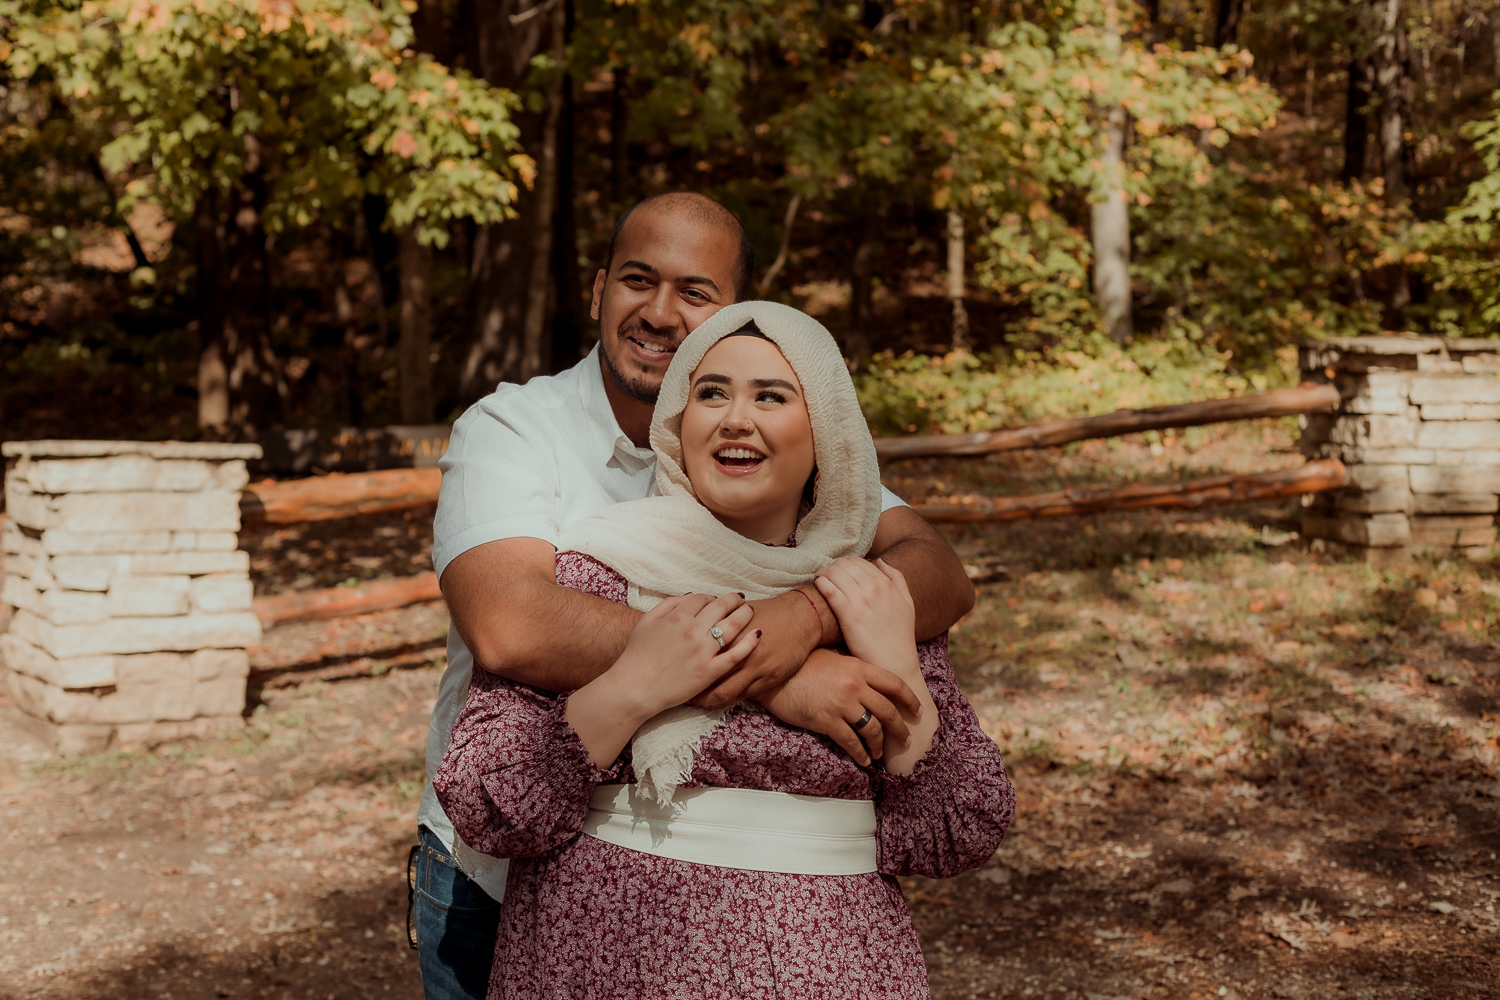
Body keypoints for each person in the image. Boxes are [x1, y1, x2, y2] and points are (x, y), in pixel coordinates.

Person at [411, 193, 976, 999]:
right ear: (599, 290)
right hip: (500, 874)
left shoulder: (768, 444)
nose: (661, 311)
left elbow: (938, 571)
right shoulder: (515, 427)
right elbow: (512, 627)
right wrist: (782, 672)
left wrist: (807, 615)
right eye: (638, 281)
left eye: (696, 292)